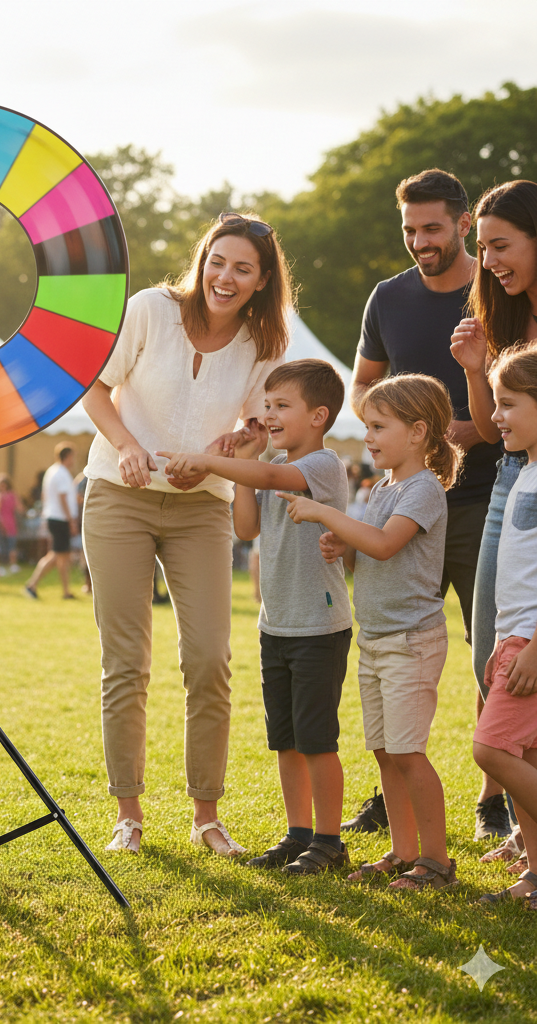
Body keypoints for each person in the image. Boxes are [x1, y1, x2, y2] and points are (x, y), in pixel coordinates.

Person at [81, 211, 292, 856]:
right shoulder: (149, 310)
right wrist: (125, 445)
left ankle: (206, 814)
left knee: (208, 660)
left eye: (243, 270)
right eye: (218, 262)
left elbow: (254, 428)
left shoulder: (264, 345)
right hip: (120, 496)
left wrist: (238, 439)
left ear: (261, 282)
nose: (225, 277)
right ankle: (129, 814)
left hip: (203, 506)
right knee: (127, 660)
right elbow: (93, 386)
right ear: (203, 261)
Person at [348, 167, 506, 840]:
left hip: (481, 499)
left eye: (433, 229)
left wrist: (469, 432)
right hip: (407, 498)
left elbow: (516, 397)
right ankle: (391, 797)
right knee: (392, 639)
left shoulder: (498, 292)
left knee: (488, 651)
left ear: (464, 224)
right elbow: (361, 390)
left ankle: (492, 799)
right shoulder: (387, 298)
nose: (420, 242)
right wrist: (402, 435)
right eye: (410, 230)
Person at [160, 359, 353, 874]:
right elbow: (246, 527)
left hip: (318, 627)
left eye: (281, 405)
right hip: (277, 626)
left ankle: (330, 841)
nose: (268, 413)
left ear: (318, 416)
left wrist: (210, 461)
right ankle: (299, 834)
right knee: (285, 740)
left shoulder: (321, 466)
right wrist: (242, 461)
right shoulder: (266, 469)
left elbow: (270, 474)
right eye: (266, 405)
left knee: (317, 740)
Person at [282, 374, 461, 890]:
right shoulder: (385, 487)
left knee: (408, 753)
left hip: (411, 641)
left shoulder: (423, 488)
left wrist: (326, 513)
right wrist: (345, 545)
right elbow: (374, 553)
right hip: (377, 639)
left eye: (379, 426)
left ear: (418, 431)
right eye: (367, 426)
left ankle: (436, 862)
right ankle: (403, 851)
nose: (369, 437)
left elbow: (385, 545)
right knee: (385, 752)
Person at [451, 179, 537, 868]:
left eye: (502, 245)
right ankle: (524, 828)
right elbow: (491, 432)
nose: (491, 262)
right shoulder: (505, 318)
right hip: (510, 484)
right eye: (483, 249)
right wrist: (479, 372)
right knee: (493, 654)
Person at [469, 345, 537, 906]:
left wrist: (534, 646)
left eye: (508, 404)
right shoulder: (525, 471)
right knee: (525, 760)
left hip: (533, 645)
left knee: (491, 751)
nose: (496, 417)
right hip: (513, 640)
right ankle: (536, 878)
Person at [23, 444, 78, 600]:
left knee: (62, 555)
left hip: (55, 517)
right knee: (57, 555)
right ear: (67, 456)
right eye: (73, 456)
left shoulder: (53, 471)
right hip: (60, 518)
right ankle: (32, 585)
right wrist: (71, 520)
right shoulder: (60, 473)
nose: (74, 460)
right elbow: (63, 498)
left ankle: (66, 591)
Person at [0, 473, 22, 573]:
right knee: (0, 546)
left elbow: (19, 508)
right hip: (1, 523)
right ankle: (1, 565)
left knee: (11, 545)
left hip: (10, 523)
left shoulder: (12, 495)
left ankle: (13, 564)